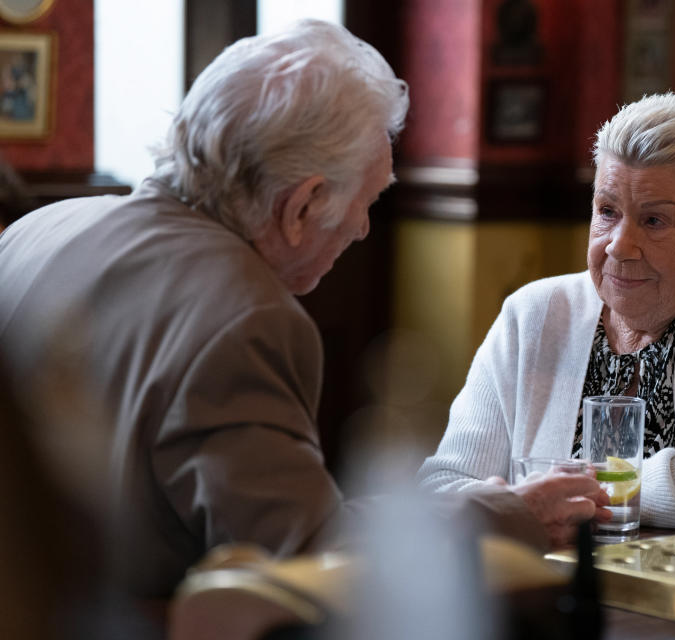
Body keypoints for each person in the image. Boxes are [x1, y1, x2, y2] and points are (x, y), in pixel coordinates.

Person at [0, 20, 605, 599]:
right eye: (367, 202)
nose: (365, 229)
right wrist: (504, 514)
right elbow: (311, 560)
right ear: (303, 205)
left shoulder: (35, 228)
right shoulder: (242, 315)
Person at [419, 93, 675, 529]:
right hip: (545, 589)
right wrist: (525, 506)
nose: (618, 245)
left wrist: (564, 493)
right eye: (607, 211)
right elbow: (444, 484)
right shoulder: (533, 314)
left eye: (654, 221)